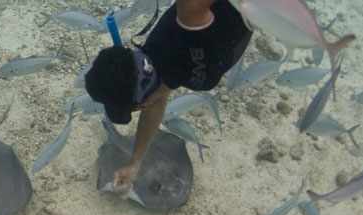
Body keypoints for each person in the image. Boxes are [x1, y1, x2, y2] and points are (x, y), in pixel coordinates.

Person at [84, 0, 251, 195]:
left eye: (136, 106)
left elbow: (190, 10)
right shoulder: (162, 69)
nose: (143, 108)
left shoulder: (189, 17)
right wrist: (136, 162)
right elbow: (155, 101)